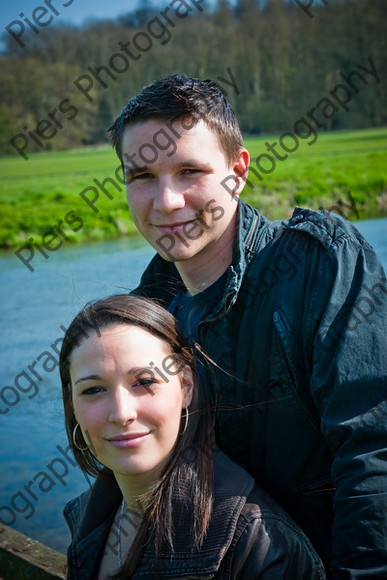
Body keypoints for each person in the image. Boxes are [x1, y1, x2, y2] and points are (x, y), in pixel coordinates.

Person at [108, 75, 387, 578]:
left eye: (189, 170)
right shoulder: (144, 313)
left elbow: (374, 449)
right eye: (142, 175)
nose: (166, 201)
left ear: (238, 171)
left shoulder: (320, 264)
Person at [60, 294, 325, 579]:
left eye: (145, 382)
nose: (122, 413)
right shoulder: (89, 518)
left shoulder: (257, 544)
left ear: (185, 386)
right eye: (93, 390)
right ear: (72, 404)